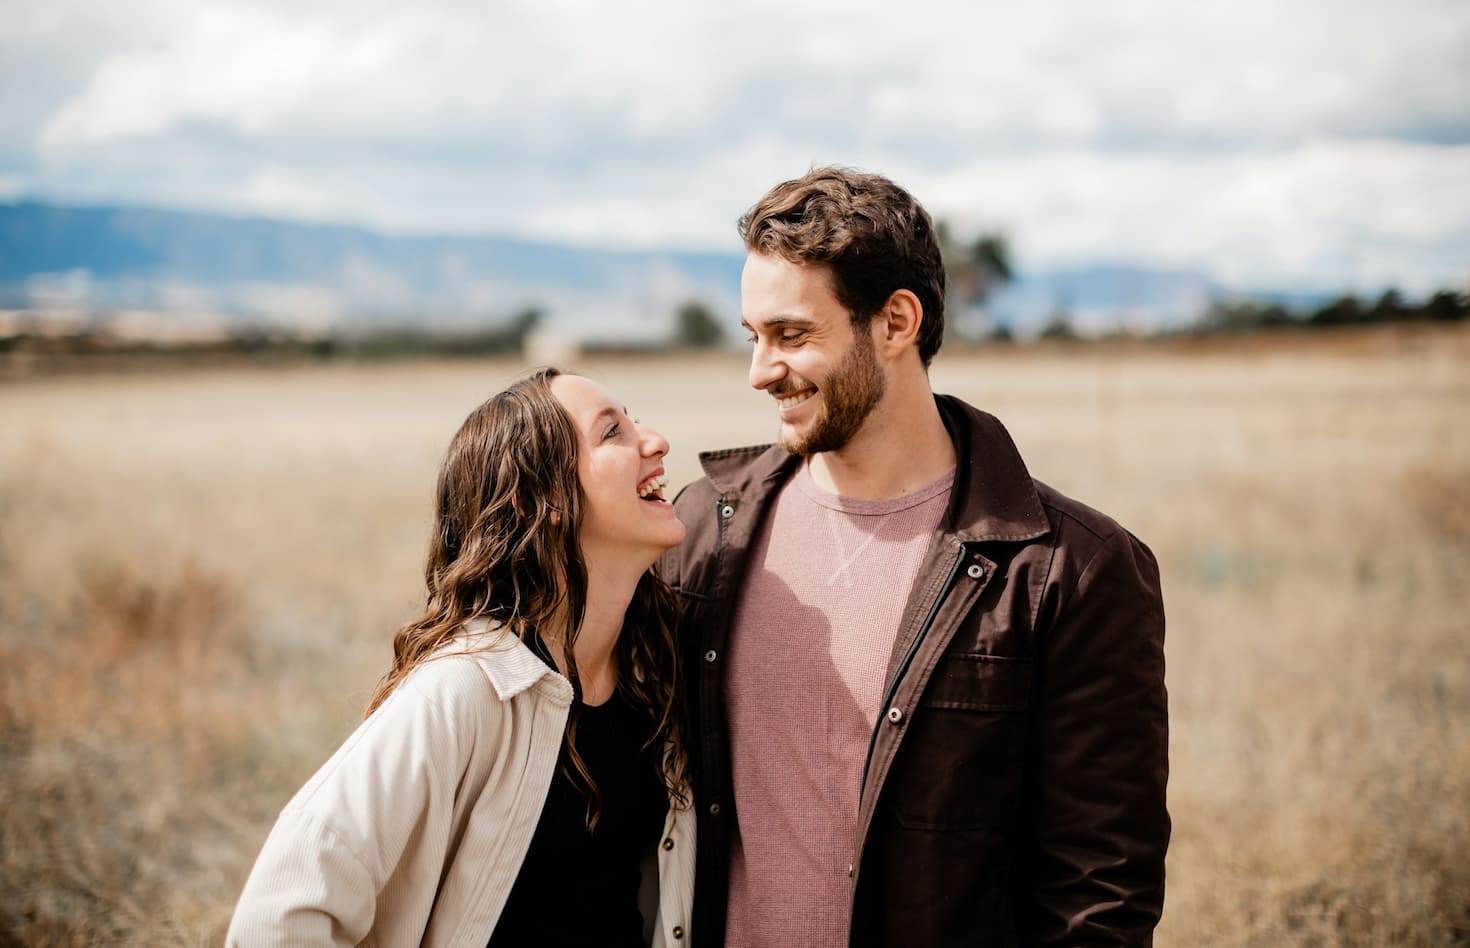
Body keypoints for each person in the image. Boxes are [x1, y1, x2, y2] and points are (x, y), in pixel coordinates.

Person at [658, 167, 1169, 947]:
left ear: (896, 322)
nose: (760, 372)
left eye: (791, 336)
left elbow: (1100, 891)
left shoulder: (1071, 571)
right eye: (752, 337)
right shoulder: (700, 530)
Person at [228, 368, 696, 947]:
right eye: (611, 432)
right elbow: (279, 914)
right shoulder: (467, 688)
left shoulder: (655, 675)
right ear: (544, 500)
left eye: (634, 420)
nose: (656, 441)